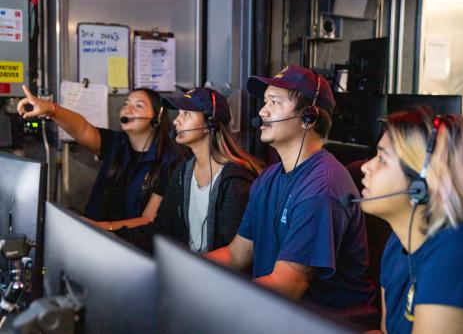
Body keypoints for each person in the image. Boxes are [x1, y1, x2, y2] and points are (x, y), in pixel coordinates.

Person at [206, 65, 375, 310]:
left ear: (308, 117)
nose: (262, 111)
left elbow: (287, 286)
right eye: (265, 102)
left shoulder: (321, 189)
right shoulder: (268, 177)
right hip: (277, 312)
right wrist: (183, 270)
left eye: (274, 102)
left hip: (325, 322)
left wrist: (217, 300)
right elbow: (237, 254)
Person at [360, 109, 463, 333]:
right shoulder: (400, 240)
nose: (366, 166)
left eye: (382, 158)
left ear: (422, 183)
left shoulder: (461, 256)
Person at [117, 88, 263, 254]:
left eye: (186, 114)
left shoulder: (235, 181)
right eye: (179, 114)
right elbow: (163, 227)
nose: (176, 121)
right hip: (186, 268)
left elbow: (234, 252)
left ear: (210, 124)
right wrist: (116, 236)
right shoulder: (183, 172)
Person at [16, 86, 184, 228]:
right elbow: (82, 129)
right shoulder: (117, 144)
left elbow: (148, 220)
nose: (128, 109)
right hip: (97, 237)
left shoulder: (169, 161)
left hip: (133, 248)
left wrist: (102, 228)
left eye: (138, 106)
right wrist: (52, 109)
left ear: (157, 117)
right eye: (126, 104)